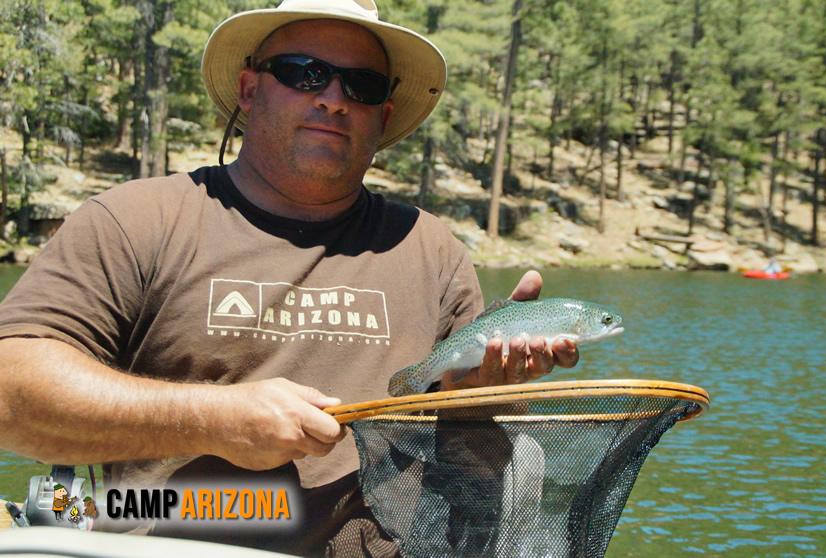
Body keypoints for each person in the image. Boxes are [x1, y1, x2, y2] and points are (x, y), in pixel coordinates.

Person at [0, 0, 578, 554]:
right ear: (250, 89)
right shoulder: (136, 221)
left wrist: (474, 401)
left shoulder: (432, 250)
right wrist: (210, 420)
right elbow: (10, 394)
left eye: (362, 86)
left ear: (384, 114)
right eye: (305, 73)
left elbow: (474, 469)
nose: (333, 99)